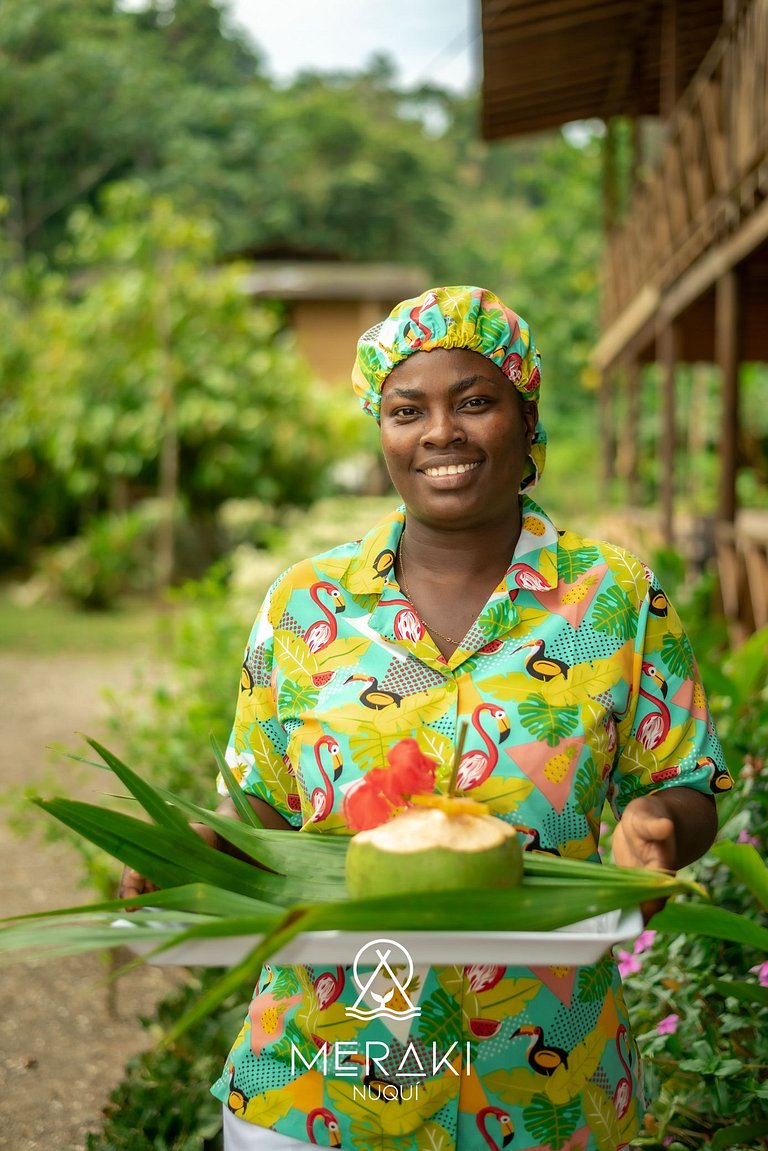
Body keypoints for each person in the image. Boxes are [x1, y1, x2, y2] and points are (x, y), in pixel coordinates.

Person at [122, 285, 731, 1151]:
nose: (439, 431)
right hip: (319, 1080)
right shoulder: (306, 604)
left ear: (526, 419)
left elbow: (687, 781)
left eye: (474, 401)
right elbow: (259, 804)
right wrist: (193, 851)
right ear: (383, 430)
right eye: (408, 409)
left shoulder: (614, 598)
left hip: (541, 1086)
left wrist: (660, 823)